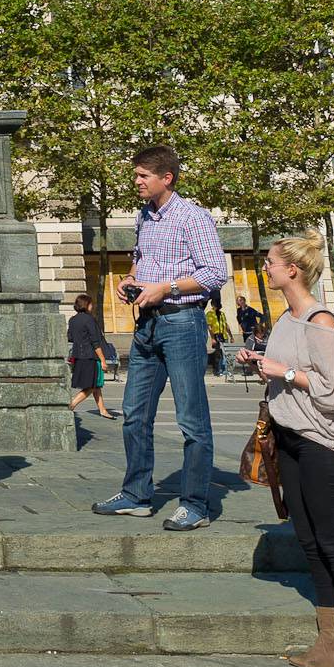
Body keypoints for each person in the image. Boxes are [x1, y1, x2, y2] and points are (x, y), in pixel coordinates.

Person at [238, 228, 334, 667]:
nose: (266, 268)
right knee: (311, 544)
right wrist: (262, 366)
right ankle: (330, 641)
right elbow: (288, 376)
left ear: (292, 269)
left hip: (322, 446)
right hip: (289, 440)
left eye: (271, 262)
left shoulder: (321, 321)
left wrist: (286, 371)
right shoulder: (285, 320)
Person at [93, 145, 229, 531]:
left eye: (142, 176)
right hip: (147, 324)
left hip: (182, 322)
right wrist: (132, 280)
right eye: (136, 175)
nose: (136, 181)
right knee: (134, 414)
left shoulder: (192, 217)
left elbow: (214, 273)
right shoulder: (145, 216)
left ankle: (196, 505)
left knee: (191, 420)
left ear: (165, 178)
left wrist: (165, 288)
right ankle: (136, 494)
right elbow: (141, 258)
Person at [66, 293, 117, 421]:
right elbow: (95, 342)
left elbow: (70, 337)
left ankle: (102, 410)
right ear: (86, 304)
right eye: (91, 304)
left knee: (96, 384)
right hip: (90, 356)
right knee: (91, 386)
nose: (92, 306)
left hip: (78, 355)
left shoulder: (72, 320)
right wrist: (103, 360)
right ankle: (70, 405)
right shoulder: (89, 319)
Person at [206, 298, 231, 377]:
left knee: (225, 354)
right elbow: (209, 327)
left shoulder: (222, 314)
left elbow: (226, 325)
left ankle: (225, 370)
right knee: (218, 354)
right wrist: (213, 338)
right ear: (213, 305)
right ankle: (218, 370)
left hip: (224, 335)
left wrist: (231, 335)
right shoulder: (210, 314)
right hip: (216, 335)